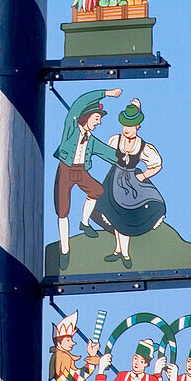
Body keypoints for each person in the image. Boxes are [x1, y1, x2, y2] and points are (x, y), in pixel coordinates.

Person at [91, 99, 165, 269]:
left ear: (137, 126)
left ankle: (125, 253)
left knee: (125, 215)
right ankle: (118, 250)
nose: (127, 130)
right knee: (114, 214)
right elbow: (106, 153)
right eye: (125, 126)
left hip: (131, 183)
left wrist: (143, 176)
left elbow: (156, 164)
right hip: (113, 180)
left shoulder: (143, 146)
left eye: (130, 126)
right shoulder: (115, 140)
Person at [53, 88, 122, 270]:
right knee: (63, 210)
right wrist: (106, 93)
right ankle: (65, 249)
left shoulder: (90, 139)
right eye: (97, 118)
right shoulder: (71, 128)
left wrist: (126, 160)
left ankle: (84, 223)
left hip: (80, 170)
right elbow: (79, 102)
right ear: (87, 116)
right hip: (65, 170)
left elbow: (105, 152)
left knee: (97, 190)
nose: (98, 123)